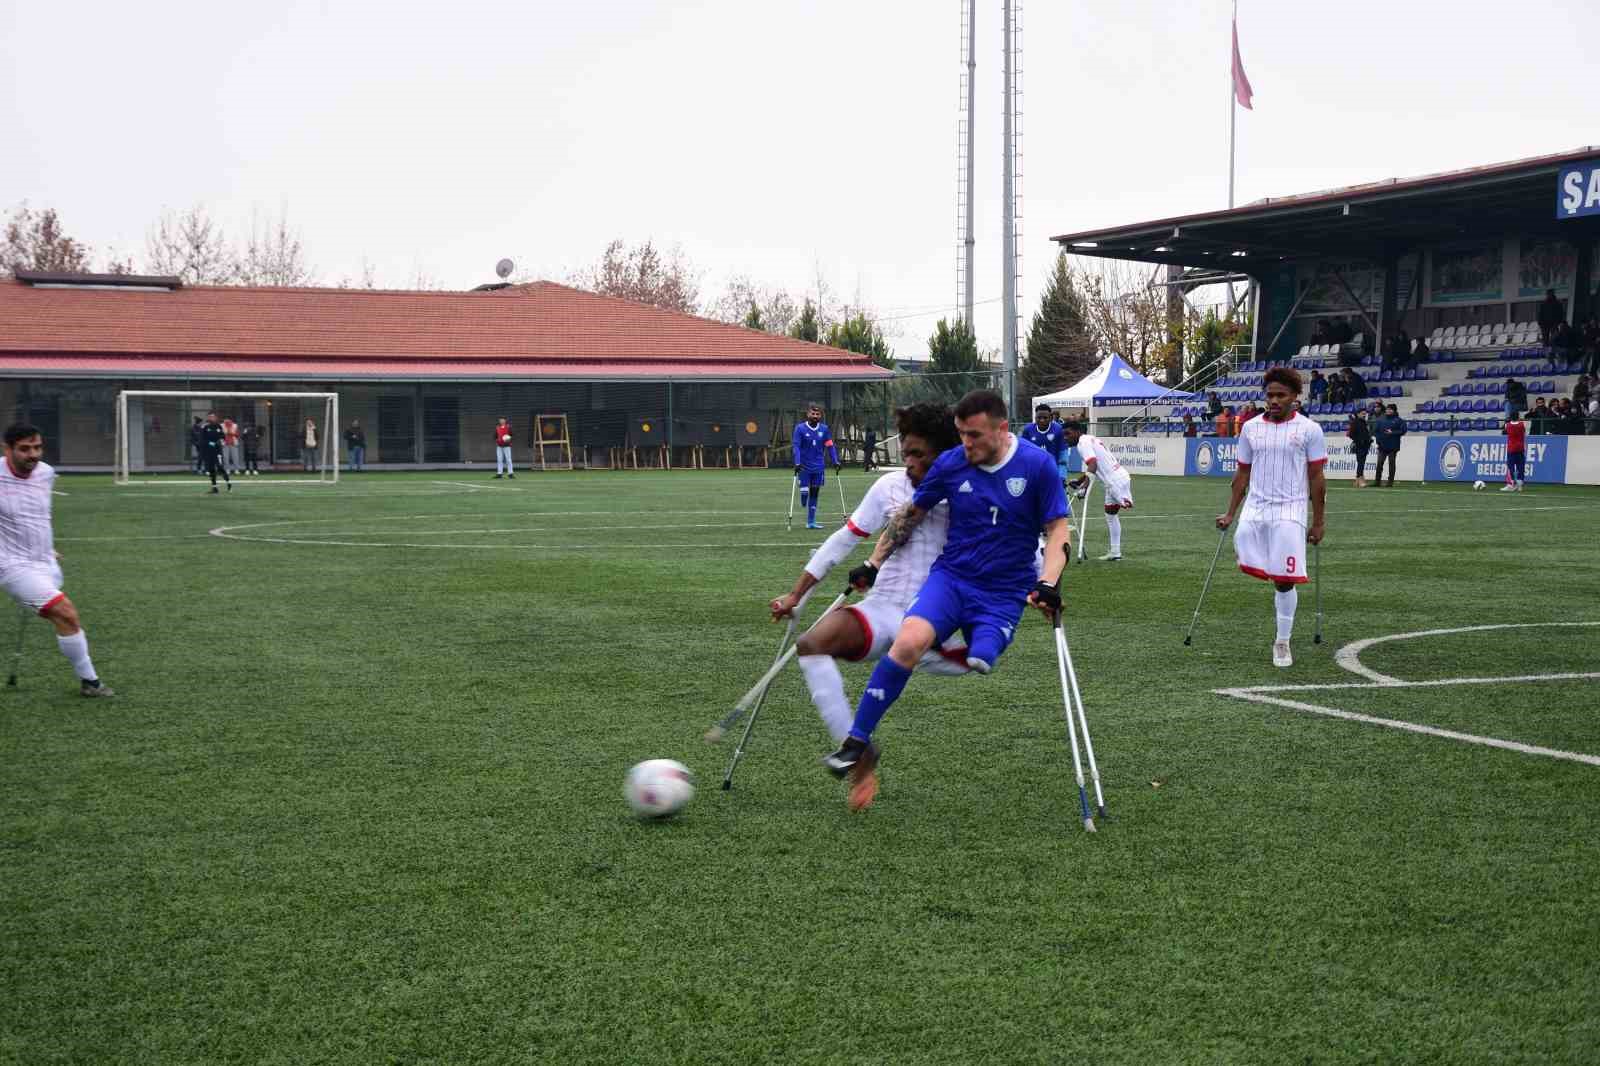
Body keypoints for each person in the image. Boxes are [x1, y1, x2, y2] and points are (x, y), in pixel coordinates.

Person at [820, 389, 1070, 787]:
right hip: (951, 578)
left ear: (1002, 429)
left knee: (983, 655)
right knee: (907, 642)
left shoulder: (1036, 466)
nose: (964, 444)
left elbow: (1058, 530)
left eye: (973, 435)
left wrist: (1048, 583)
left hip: (1004, 589)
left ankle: (982, 641)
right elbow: (911, 516)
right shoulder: (952, 465)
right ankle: (855, 742)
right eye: (960, 434)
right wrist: (873, 562)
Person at [768, 403, 974, 810]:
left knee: (961, 654)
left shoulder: (968, 490)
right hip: (883, 607)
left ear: (945, 454)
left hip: (936, 616)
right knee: (811, 645)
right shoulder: (889, 488)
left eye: (921, 455)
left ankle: (963, 653)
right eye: (906, 453)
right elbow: (845, 539)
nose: (910, 463)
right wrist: (797, 595)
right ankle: (859, 754)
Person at [1214, 368, 1327, 668]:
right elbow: (1242, 473)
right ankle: (1272, 567)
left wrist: (1318, 521)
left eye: (1281, 395)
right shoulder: (1250, 428)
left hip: (1290, 509)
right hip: (1256, 506)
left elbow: (1317, 477)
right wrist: (1229, 513)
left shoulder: (1309, 430)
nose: (1274, 400)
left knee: (1284, 581)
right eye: (1270, 395)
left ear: (1294, 397)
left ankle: (1282, 641)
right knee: (1241, 539)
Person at [0, 425, 114, 697]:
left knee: (64, 621)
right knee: (66, 612)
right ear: (7, 449)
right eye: (25, 449)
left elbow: (37, 515)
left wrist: (47, 547)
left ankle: (87, 680)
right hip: (11, 563)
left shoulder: (46, 473)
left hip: (44, 560)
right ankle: (91, 682)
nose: (33, 455)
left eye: (37, 447)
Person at [1062, 420, 1133, 561]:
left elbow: (1093, 465)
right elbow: (1095, 466)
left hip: (1114, 482)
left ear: (1077, 432)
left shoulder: (1083, 442)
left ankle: (1115, 551)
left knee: (1115, 512)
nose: (1065, 437)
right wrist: (1081, 480)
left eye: (1068, 434)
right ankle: (1115, 552)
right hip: (1117, 477)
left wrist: (1084, 488)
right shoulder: (1089, 439)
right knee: (1111, 515)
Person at [792, 403, 841, 530]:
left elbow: (830, 446)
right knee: (804, 493)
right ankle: (803, 492)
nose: (815, 416)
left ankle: (811, 522)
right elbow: (796, 446)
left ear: (821, 416)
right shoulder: (800, 428)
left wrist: (835, 461)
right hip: (804, 466)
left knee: (814, 493)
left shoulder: (824, 429)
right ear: (808, 414)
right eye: (812, 414)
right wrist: (797, 462)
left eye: (817, 414)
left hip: (819, 466)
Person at [1020, 403, 1067, 474]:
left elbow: (1063, 452)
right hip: (1033, 469)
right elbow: (1023, 451)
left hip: (1052, 470)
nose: (1042, 420)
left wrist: (1062, 474)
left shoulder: (1058, 429)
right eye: (1039, 418)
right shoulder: (1028, 429)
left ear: (1051, 418)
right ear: (1035, 418)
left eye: (1045, 418)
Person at [1372, 403, 1406, 488]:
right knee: (1379, 463)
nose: (1388, 410)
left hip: (1393, 446)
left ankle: (1390, 482)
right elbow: (1375, 431)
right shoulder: (1380, 420)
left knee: (1391, 463)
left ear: (1394, 410)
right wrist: (1378, 440)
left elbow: (1403, 431)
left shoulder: (1399, 420)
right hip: (1382, 446)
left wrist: (1393, 433)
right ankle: (1377, 482)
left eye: (1390, 409)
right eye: (1387, 409)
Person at [199, 411, 232, 494]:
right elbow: (202, 439)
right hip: (209, 451)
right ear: (208, 418)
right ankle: (214, 488)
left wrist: (221, 441)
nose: (211, 418)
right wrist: (210, 443)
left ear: (216, 418)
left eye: (213, 417)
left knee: (220, 467)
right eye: (210, 417)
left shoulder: (219, 426)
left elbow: (223, 436)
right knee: (211, 469)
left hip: (218, 451)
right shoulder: (205, 427)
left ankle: (228, 483)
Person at [1502, 411, 1528, 492]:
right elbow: (1524, 432)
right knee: (1521, 467)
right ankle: (1520, 485)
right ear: (1518, 417)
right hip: (1520, 448)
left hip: (1511, 448)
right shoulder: (1522, 424)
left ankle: (1511, 484)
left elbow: (1504, 432)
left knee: (1510, 467)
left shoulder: (1507, 425)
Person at [1347, 408, 1372, 488]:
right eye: (1362, 413)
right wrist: (1359, 440)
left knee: (1361, 462)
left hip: (1365, 445)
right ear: (1358, 414)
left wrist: (1368, 439)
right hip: (1359, 445)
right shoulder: (1355, 422)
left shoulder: (1364, 422)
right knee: (1361, 463)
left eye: (1365, 413)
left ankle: (1358, 480)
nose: (1364, 414)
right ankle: (1360, 479)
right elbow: (1350, 434)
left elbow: (1366, 433)